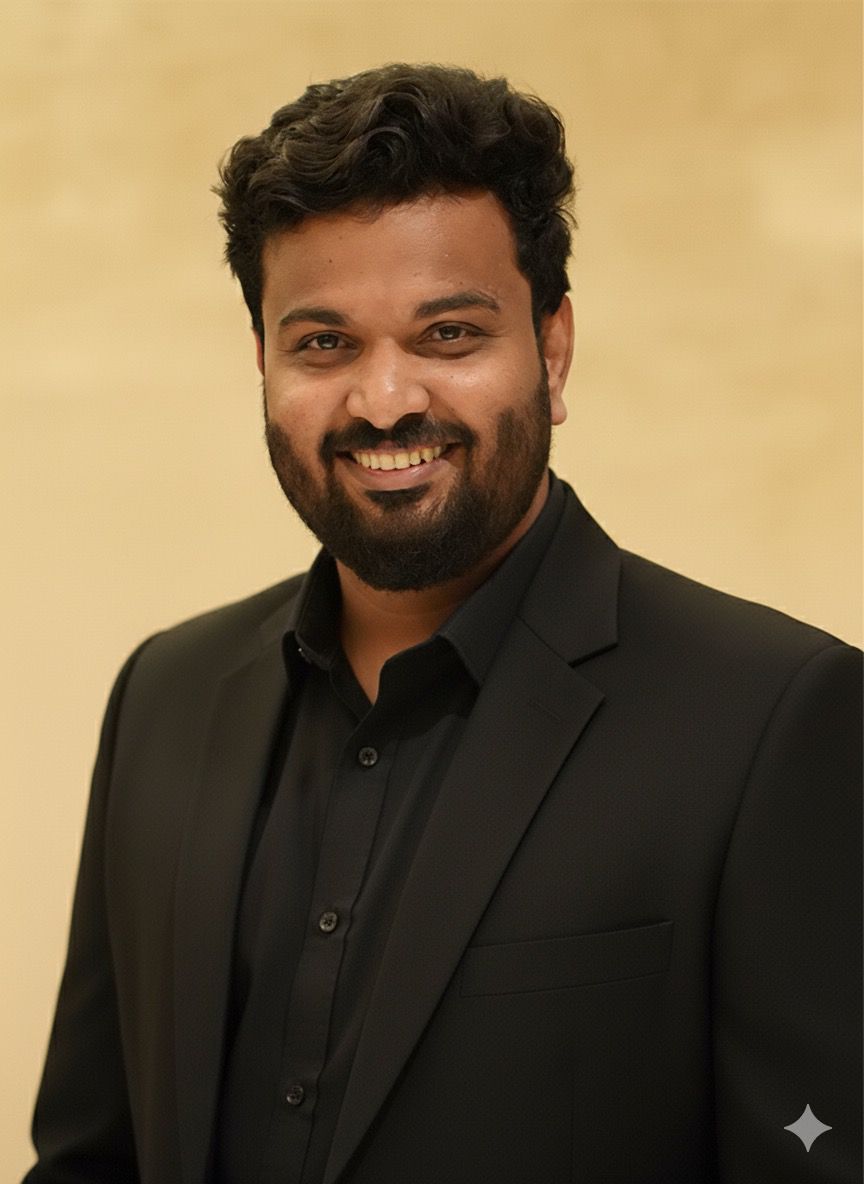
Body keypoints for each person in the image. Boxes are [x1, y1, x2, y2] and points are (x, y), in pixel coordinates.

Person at [25, 63, 860, 1184]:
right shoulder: (163, 696)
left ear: (552, 350)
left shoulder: (776, 721)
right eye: (322, 343)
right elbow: (93, 1156)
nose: (384, 400)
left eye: (449, 334)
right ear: (262, 362)